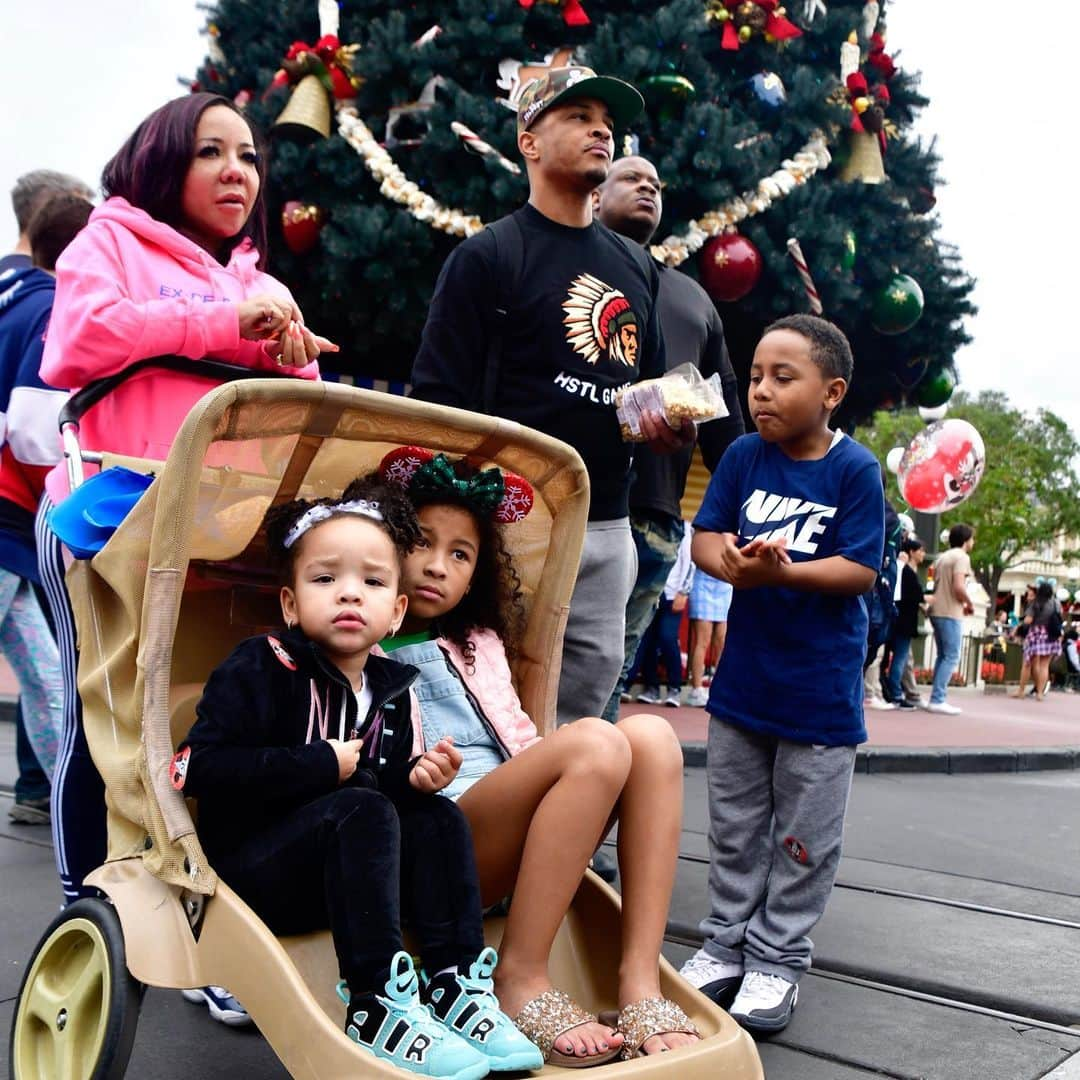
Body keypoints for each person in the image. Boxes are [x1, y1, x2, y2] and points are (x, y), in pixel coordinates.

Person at [35, 91, 334, 911]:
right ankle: (87, 910)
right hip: (109, 519)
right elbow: (79, 342)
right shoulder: (108, 242)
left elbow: (295, 412)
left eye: (248, 157)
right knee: (112, 723)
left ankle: (207, 915)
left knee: (218, 723)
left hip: (224, 533)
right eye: (211, 151)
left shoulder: (264, 282)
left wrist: (295, 359)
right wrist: (225, 323)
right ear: (163, 159)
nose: (237, 170)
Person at [177, 479, 541, 1078]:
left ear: (395, 610)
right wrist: (318, 763)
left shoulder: (390, 686)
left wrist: (414, 780)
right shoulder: (263, 666)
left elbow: (375, 789)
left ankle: (454, 984)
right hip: (257, 873)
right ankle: (375, 1003)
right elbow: (200, 767)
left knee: (437, 813)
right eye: (325, 580)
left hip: (346, 871)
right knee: (362, 809)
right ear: (291, 604)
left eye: (372, 582)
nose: (349, 594)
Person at [363, 448, 700, 1065]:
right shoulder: (357, 639)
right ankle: (518, 978)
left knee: (651, 737)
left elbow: (516, 740)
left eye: (459, 554)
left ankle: (639, 981)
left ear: (476, 572)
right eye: (421, 544)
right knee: (595, 741)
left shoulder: (479, 644)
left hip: (503, 832)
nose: (437, 566)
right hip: (429, 844)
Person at [410, 68, 693, 728]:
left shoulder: (638, 268)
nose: (601, 129)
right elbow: (436, 399)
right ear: (529, 143)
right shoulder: (488, 256)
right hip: (510, 516)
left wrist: (668, 425)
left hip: (608, 524)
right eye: (578, 115)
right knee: (486, 701)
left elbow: (645, 390)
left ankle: (561, 830)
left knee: (584, 709)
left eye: (608, 121)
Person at [678, 314, 884, 1035]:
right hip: (743, 689)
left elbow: (859, 568)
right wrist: (726, 560)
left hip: (819, 697)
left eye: (781, 378)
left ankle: (777, 956)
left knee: (803, 838)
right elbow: (706, 535)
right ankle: (725, 941)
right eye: (756, 376)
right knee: (735, 826)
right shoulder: (740, 456)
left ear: (832, 392)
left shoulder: (854, 469)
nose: (760, 391)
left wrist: (783, 571)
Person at [592, 156, 745, 721]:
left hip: (652, 515)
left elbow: (725, 423)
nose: (648, 188)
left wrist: (742, 513)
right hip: (563, 500)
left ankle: (585, 791)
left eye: (656, 184)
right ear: (594, 195)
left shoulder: (693, 298)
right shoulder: (564, 273)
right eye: (631, 178)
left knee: (612, 665)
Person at [0, 192, 93, 824]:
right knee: (48, 674)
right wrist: (66, 505)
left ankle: (55, 797)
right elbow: (37, 427)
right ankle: (68, 804)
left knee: (43, 670)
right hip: (10, 508)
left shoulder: (9, 298)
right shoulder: (49, 308)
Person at [633, 521, 694, 707]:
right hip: (651, 592)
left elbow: (690, 561)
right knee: (648, 641)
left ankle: (674, 687)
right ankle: (651, 688)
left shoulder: (684, 527)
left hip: (673, 594)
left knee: (667, 638)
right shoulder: (648, 523)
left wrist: (684, 592)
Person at [2, 170, 93, 277]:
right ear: (48, 212)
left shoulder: (9, 278)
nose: (89, 224)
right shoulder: (45, 283)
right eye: (79, 211)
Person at [926, 523, 976, 715]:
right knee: (952, 655)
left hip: (936, 608)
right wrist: (969, 603)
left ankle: (936, 697)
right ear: (965, 540)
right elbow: (959, 586)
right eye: (971, 538)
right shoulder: (962, 557)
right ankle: (938, 698)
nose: (972, 542)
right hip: (950, 611)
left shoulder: (942, 558)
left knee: (942, 655)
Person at [885, 537, 926, 710]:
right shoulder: (907, 572)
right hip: (904, 621)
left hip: (899, 619)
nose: (923, 554)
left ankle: (895, 691)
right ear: (911, 552)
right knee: (900, 658)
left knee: (900, 658)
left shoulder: (906, 571)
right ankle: (895, 693)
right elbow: (915, 596)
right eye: (921, 550)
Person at [685, 568, 734, 708]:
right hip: (702, 584)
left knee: (722, 642)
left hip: (725, 585)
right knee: (702, 641)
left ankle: (719, 689)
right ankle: (697, 689)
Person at [1010, 581, 1063, 702]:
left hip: (1036, 633)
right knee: (1044, 665)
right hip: (1050, 635)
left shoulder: (1036, 603)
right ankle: (1039, 693)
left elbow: (1028, 620)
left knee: (1027, 663)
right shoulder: (1056, 603)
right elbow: (1059, 617)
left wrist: (1019, 625)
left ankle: (1021, 691)